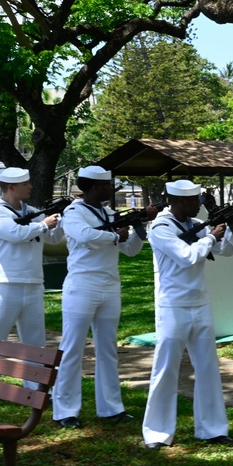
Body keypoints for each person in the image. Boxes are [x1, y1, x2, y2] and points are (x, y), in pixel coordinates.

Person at [141, 180, 233, 450]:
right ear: (178, 201)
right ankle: (156, 432)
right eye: (194, 201)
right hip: (173, 306)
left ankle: (213, 428)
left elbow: (225, 251)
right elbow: (187, 256)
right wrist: (211, 236)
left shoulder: (192, 225)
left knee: (208, 367)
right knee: (165, 370)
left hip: (199, 303)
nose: (198, 205)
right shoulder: (161, 228)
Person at [51, 166, 157, 429]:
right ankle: (65, 410)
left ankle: (111, 407)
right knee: (72, 348)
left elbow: (130, 250)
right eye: (108, 186)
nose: (112, 189)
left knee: (108, 349)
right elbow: (85, 236)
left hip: (110, 285)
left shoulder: (109, 214)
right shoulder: (74, 212)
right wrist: (114, 235)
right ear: (95, 187)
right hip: (82, 284)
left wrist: (138, 226)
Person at [0, 167, 64, 408]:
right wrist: (43, 225)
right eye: (26, 184)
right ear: (11, 187)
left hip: (33, 282)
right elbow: (15, 233)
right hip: (5, 284)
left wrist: (59, 220)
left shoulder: (33, 212)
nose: (31, 187)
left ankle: (36, 389)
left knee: (35, 343)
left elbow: (53, 239)